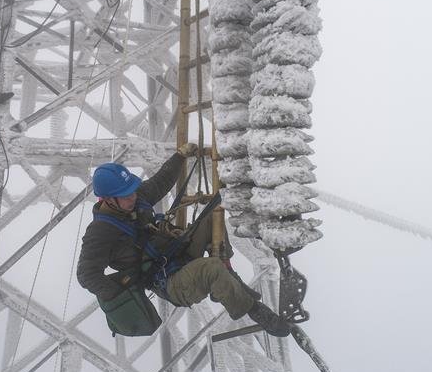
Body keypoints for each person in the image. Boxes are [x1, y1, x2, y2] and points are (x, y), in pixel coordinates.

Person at [76, 144, 291, 337]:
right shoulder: (100, 232)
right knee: (211, 269)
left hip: (177, 252)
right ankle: (256, 311)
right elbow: (86, 275)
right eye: (125, 195)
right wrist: (124, 290)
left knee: (211, 219)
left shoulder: (135, 199)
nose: (132, 196)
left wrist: (179, 156)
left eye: (131, 191)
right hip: (168, 281)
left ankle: (228, 277)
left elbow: (160, 182)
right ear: (107, 200)